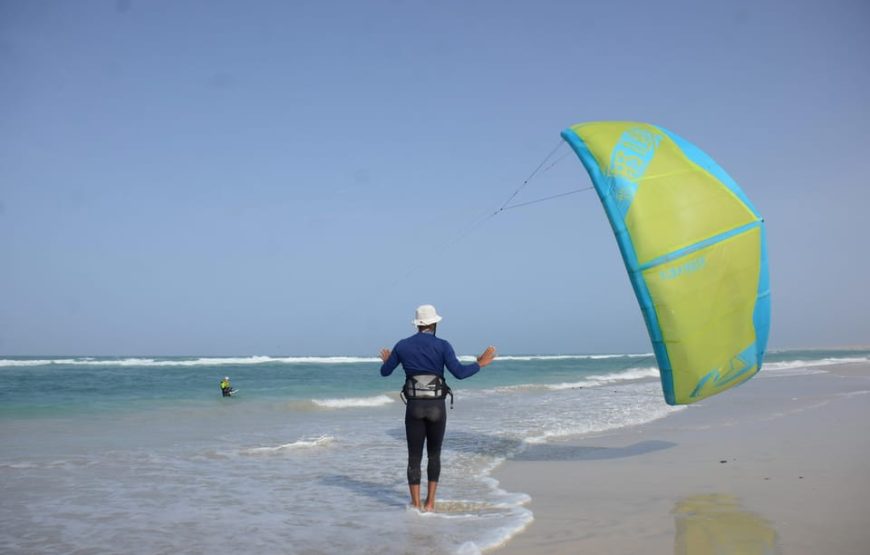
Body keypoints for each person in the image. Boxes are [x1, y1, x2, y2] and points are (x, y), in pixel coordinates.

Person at [379, 304, 496, 512]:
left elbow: (385, 372)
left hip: (414, 407)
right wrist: (480, 364)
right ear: (434, 324)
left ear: (417, 325)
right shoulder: (443, 345)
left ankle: (415, 505)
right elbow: (459, 373)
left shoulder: (402, 346)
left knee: (414, 457)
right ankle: (430, 503)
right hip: (436, 408)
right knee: (434, 455)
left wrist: (388, 361)